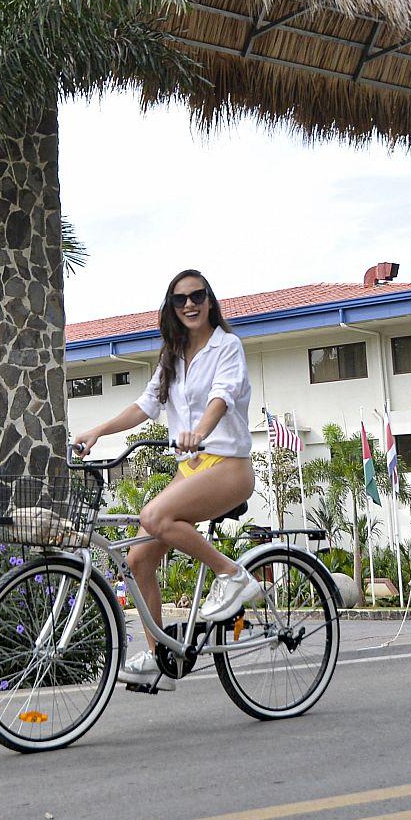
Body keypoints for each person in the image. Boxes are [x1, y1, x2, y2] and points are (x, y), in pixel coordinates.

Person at [74, 268, 262, 690]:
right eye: (180, 300)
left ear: (210, 301)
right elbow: (144, 406)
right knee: (138, 559)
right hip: (191, 469)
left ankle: (233, 575)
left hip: (228, 467)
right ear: (172, 308)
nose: (190, 305)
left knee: (154, 515)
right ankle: (162, 657)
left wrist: (201, 431)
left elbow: (222, 397)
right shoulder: (172, 357)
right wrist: (96, 432)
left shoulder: (226, 347)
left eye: (197, 296)